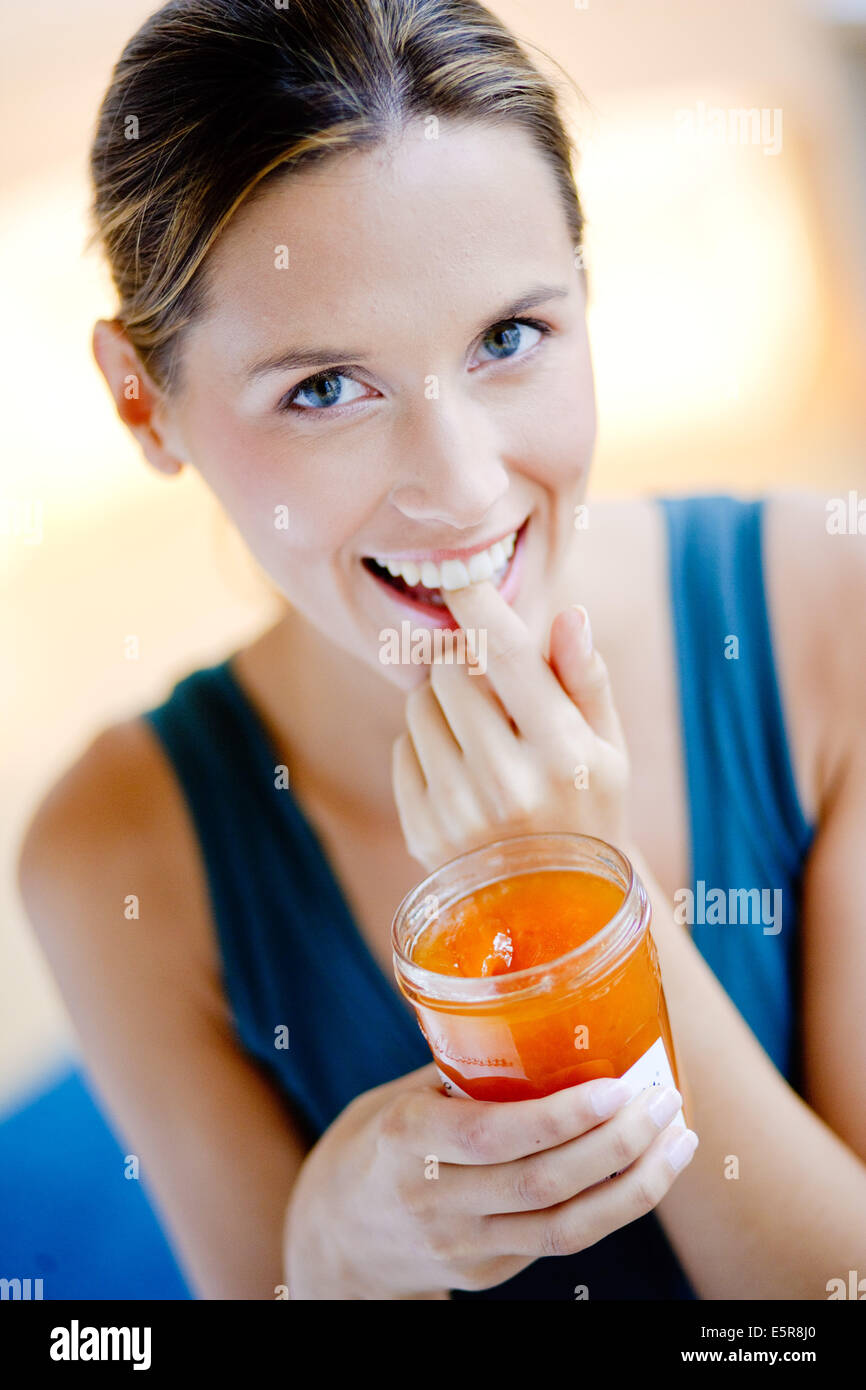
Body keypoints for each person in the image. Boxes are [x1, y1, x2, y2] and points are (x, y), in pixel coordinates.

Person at [17, 0, 866, 1301]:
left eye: (508, 338)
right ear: (144, 402)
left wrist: (588, 894)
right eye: (322, 388)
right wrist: (330, 1259)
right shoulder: (111, 852)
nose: (464, 491)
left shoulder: (830, 611)